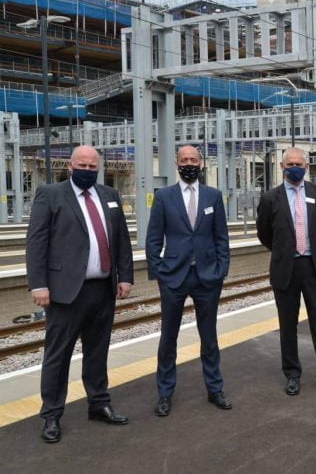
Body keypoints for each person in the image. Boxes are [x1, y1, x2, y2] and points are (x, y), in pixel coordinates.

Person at [26, 146, 134, 443]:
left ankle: (98, 403)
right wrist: (38, 284)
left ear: (99, 167)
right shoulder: (51, 194)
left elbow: (121, 239)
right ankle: (51, 415)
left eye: (92, 165)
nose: (87, 169)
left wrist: (125, 276)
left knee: (98, 351)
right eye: (82, 164)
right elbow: (36, 242)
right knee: (57, 356)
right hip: (65, 292)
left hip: (103, 289)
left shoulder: (110, 196)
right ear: (70, 165)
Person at [256, 147, 316, 399]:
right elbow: (265, 233)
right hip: (285, 268)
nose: (294, 168)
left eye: (299, 163)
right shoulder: (270, 198)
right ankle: (292, 375)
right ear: (281, 167)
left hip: (314, 266)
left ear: (306, 166)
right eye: (290, 164)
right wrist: (284, 249)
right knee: (287, 326)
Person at [146, 145, 231, 417]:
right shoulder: (164, 197)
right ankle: (164, 393)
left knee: (209, 336)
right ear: (176, 163)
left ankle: (215, 388)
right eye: (184, 159)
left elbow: (221, 238)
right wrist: (159, 272)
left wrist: (221, 270)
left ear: (202, 163)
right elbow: (153, 239)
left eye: (194, 159)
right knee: (168, 337)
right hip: (174, 276)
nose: (189, 163)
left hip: (207, 276)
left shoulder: (213, 196)